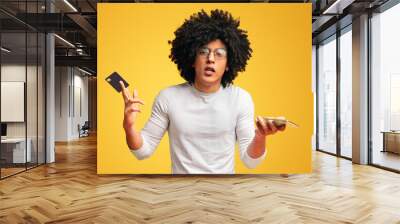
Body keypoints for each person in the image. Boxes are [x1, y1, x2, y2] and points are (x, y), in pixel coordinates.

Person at [120, 9, 285, 174]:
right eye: (203, 52)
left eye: (219, 54)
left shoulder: (241, 98)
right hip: (180, 191)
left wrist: (260, 136)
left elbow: (251, 162)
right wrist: (129, 127)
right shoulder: (168, 97)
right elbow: (143, 151)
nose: (211, 59)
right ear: (192, 58)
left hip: (224, 192)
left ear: (229, 63)